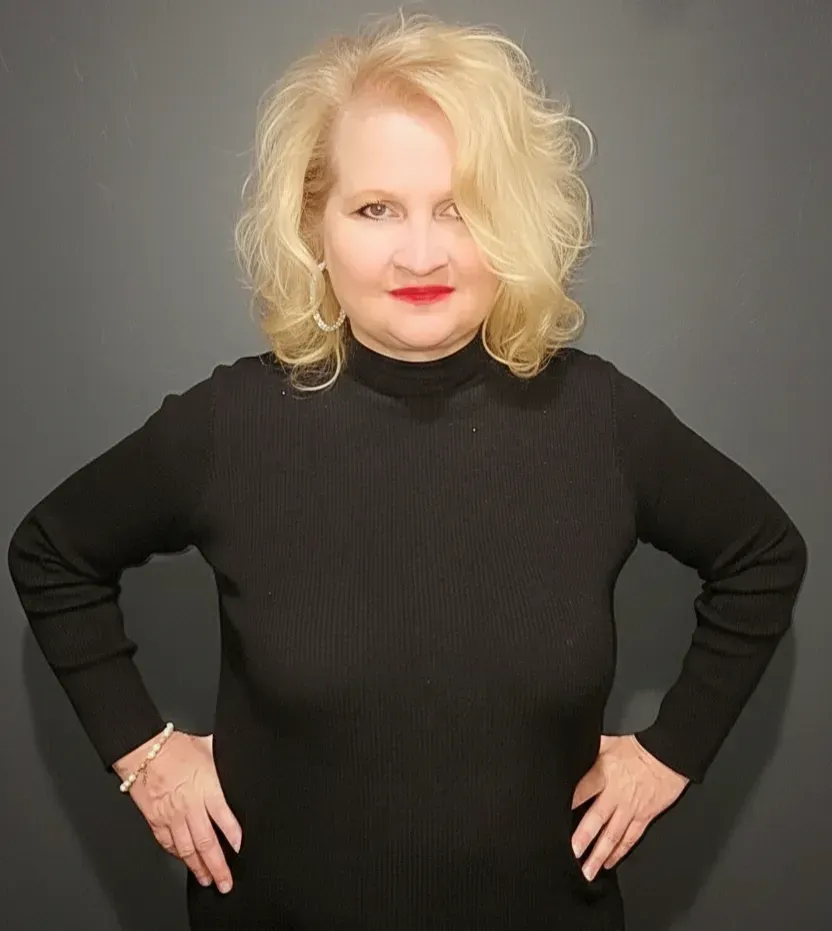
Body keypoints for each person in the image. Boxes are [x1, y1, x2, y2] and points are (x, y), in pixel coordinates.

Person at [7, 10, 808, 931]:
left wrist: (671, 753)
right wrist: (144, 754)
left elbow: (762, 553)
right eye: (375, 207)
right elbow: (53, 551)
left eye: (460, 206)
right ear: (316, 223)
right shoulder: (231, 426)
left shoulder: (601, 420)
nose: (421, 253)